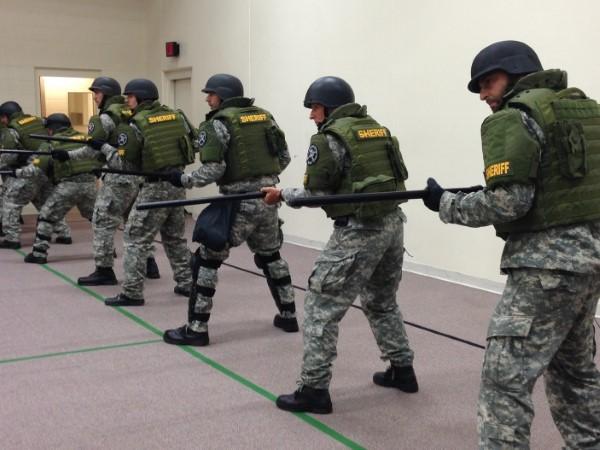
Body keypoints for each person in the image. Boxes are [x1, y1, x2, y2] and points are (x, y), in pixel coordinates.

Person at [422, 40, 600, 448]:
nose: (484, 95)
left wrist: (446, 203)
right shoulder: (586, 110)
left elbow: (510, 202)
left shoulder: (513, 117)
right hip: (589, 267)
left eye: (489, 82)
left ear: (517, 76)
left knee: (504, 384)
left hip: (544, 272)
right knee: (575, 375)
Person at [263, 76, 417, 414]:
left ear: (329, 106)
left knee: (321, 307)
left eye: (314, 108)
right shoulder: (377, 129)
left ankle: (314, 390)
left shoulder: (329, 138)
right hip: (392, 225)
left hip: (359, 231)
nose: (311, 115)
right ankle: (403, 370)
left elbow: (317, 193)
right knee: (381, 301)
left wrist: (282, 194)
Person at [162, 73, 298, 347]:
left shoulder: (218, 123)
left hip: (238, 203)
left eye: (210, 94)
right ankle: (288, 315)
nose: (207, 98)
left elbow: (216, 168)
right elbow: (283, 157)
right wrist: (263, 181)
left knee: (206, 260)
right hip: (269, 199)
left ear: (222, 96)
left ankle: (196, 328)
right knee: (271, 256)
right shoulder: (264, 117)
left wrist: (184, 179)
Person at [60, 77, 160, 285]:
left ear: (105, 94)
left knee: (103, 222)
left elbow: (91, 149)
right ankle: (149, 264)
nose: (94, 97)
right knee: (134, 223)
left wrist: (66, 155)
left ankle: (104, 270)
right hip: (137, 177)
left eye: (96, 93)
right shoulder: (130, 112)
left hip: (117, 178)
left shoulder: (105, 118)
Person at [104, 78, 193, 306]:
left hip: (154, 189)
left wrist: (104, 148)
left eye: (130, 97)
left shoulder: (136, 125)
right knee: (175, 239)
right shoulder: (177, 116)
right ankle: (187, 283)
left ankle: (132, 293)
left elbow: (125, 166)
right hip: (177, 186)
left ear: (140, 98)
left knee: (135, 238)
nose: (127, 101)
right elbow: (195, 144)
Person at [22, 113, 100, 264]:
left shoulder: (50, 142)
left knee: (46, 216)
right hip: (90, 185)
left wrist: (17, 172)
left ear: (51, 129)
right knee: (98, 219)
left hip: (67, 186)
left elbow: (37, 169)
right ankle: (107, 251)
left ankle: (39, 254)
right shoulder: (85, 138)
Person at [0, 101, 71, 249]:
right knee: (47, 204)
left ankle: (11, 238)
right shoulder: (39, 121)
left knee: (11, 203)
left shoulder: (12, 129)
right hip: (46, 171)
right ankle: (64, 234)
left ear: (5, 117)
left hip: (29, 172)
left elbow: (8, 156)